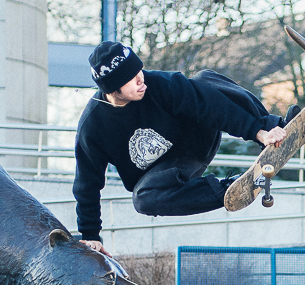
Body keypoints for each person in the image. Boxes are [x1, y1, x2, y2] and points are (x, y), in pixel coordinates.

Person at [72, 41, 291, 252]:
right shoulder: (93, 127)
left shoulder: (160, 84)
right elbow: (87, 184)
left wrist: (259, 132)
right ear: (112, 90)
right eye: (130, 78)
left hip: (199, 137)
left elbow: (210, 106)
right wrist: (90, 235)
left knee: (204, 80)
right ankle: (230, 190)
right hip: (168, 173)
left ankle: (277, 127)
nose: (140, 79)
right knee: (143, 199)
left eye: (139, 70)